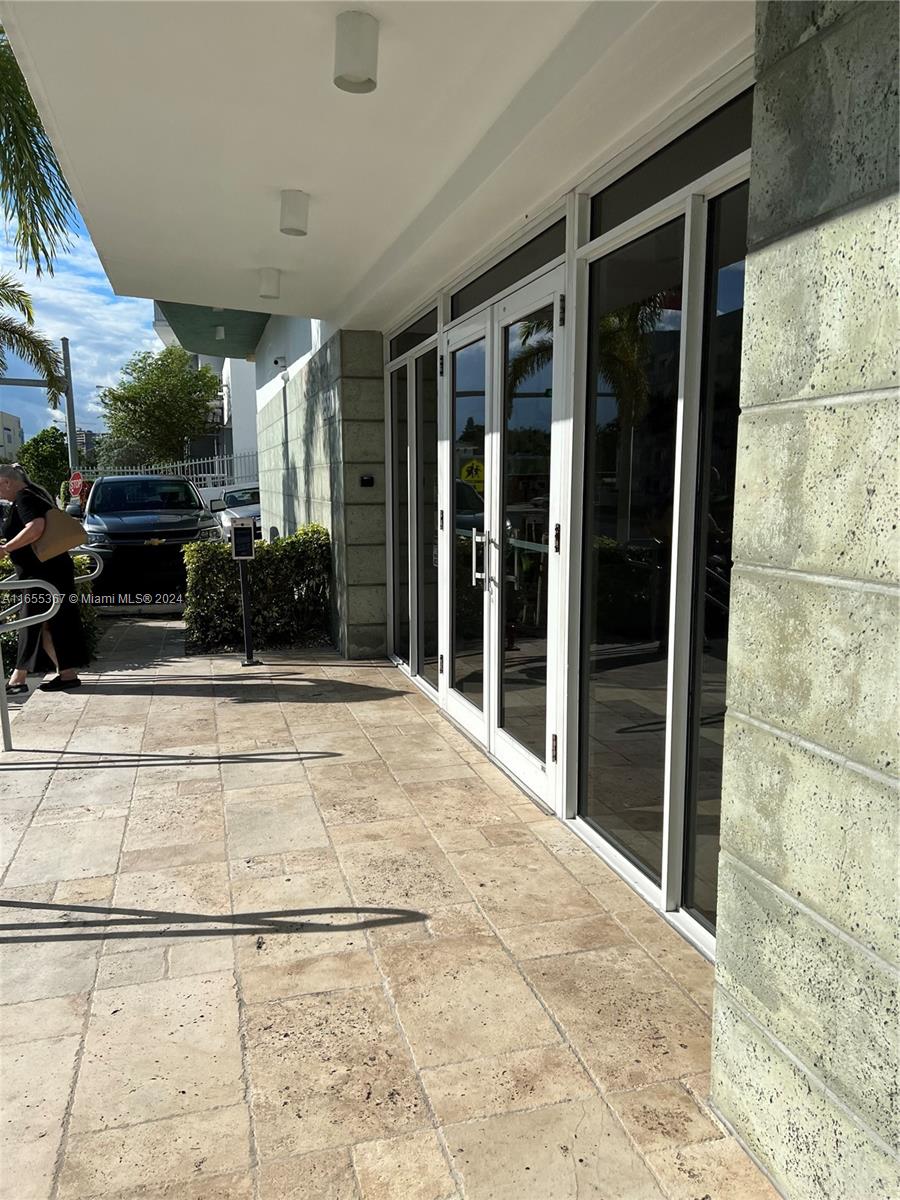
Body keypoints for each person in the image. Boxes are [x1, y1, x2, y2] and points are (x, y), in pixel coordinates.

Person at [0, 463, 88, 693]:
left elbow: (36, 527)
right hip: (51, 570)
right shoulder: (36, 493)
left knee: (30, 623)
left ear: (7, 482)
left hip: (41, 574)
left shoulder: (23, 497)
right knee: (51, 623)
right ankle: (67, 674)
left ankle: (17, 680)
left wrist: (6, 548)